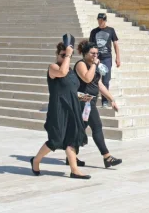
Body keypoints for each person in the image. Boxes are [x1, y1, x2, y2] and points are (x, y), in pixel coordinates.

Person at [29, 40, 89, 179]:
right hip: (58, 109)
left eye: (66, 55)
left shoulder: (72, 72)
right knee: (56, 140)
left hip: (72, 109)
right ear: (57, 54)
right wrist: (68, 55)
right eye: (62, 55)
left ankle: (74, 170)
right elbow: (62, 73)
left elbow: (73, 88)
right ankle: (36, 160)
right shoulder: (53, 68)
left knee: (72, 139)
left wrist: (82, 98)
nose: (64, 57)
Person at [74, 40, 122, 168]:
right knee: (97, 126)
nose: (95, 56)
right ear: (85, 53)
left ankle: (71, 156)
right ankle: (107, 157)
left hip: (92, 100)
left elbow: (98, 84)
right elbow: (87, 78)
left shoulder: (95, 66)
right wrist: (95, 65)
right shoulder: (81, 64)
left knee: (79, 130)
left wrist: (112, 99)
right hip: (83, 100)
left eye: (96, 53)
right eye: (92, 53)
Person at [90, 13, 121, 107]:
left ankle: (105, 101)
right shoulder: (94, 31)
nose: (100, 22)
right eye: (98, 20)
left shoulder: (111, 30)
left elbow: (115, 44)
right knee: (94, 79)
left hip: (107, 58)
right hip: (96, 58)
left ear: (105, 20)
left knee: (106, 80)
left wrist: (118, 57)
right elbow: (90, 46)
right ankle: (92, 99)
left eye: (102, 20)